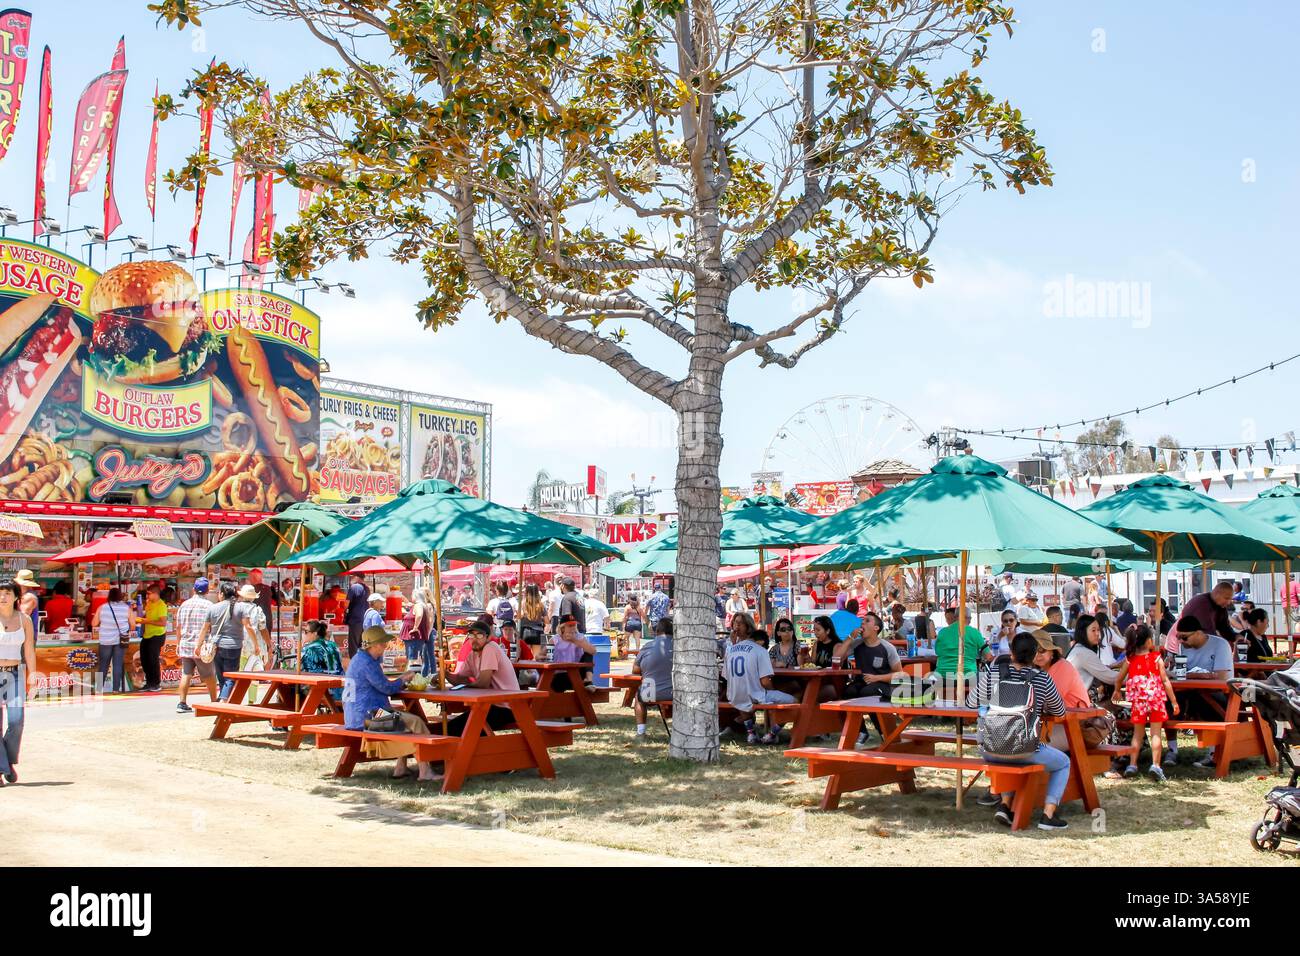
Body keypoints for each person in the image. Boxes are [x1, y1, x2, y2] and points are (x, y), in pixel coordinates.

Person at [967, 632, 1070, 831]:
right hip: (1025, 748)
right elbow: (1060, 710)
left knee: (1004, 749)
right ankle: (1048, 815)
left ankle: (1006, 805)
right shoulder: (1042, 678)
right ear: (1034, 656)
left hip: (989, 748)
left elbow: (972, 702)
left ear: (1011, 653)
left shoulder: (994, 672)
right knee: (1063, 763)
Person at [343, 626, 435, 781]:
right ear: (373, 645)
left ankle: (400, 768)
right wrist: (404, 679)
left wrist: (399, 681)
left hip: (355, 715)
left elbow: (381, 685)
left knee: (403, 720)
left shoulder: (358, 659)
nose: (385, 648)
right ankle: (425, 771)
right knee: (416, 722)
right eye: (383, 644)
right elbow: (387, 688)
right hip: (369, 715)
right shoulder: (368, 664)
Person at [1112, 623, 1179, 781]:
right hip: (1155, 700)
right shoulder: (1156, 658)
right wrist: (1174, 701)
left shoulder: (1130, 660)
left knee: (1137, 734)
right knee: (1156, 734)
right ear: (1149, 641)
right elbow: (1165, 681)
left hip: (1139, 702)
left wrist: (1116, 690)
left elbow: (1119, 678)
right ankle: (1156, 765)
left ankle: (1133, 764)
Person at [724, 615, 797, 744]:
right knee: (795, 701)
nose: (736, 626)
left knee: (744, 695)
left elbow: (726, 676)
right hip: (755, 695)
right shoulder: (760, 651)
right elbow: (765, 681)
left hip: (735, 695)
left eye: (740, 624)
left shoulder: (730, 650)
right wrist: (772, 691)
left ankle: (751, 734)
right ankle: (772, 734)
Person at [443, 620, 522, 739]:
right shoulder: (473, 654)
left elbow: (483, 683)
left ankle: (458, 757)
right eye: (471, 635)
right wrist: (444, 674)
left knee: (456, 729)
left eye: (479, 635)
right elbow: (459, 678)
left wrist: (465, 685)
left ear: (488, 637)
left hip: (507, 708)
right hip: (491, 706)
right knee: (453, 728)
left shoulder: (490, 648)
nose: (474, 639)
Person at [0, 580, 37, 784]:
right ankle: (1, 768)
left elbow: (29, 650)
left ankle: (7, 761)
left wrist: (33, 675)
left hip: (14, 673)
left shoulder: (24, 619)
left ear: (16, 597)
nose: (3, 597)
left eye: (7, 593)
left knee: (16, 721)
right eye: (0, 593)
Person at [1031, 629, 1089, 752]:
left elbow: (1048, 703)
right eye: (1033, 650)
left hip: (1072, 726)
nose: (1037, 654)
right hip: (1050, 724)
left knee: (1029, 748)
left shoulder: (1062, 666)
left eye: (1042, 650)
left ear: (1052, 652)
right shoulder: (1035, 671)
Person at [194, 583, 252, 701]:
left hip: (217, 646)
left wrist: (198, 645)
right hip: (234, 646)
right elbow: (249, 627)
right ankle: (224, 699)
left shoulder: (213, 608)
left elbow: (204, 629)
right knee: (230, 676)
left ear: (221, 594)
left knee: (221, 676)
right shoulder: (241, 608)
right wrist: (256, 644)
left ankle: (223, 699)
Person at [175, 578, 217, 713]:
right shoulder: (209, 606)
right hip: (202, 646)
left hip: (186, 644)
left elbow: (178, 627)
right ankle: (214, 701)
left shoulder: (184, 605)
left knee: (186, 673)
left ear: (193, 589)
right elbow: (212, 627)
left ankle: (182, 702)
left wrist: (178, 643)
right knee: (209, 675)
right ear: (207, 591)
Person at [844, 611, 903, 702]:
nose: (862, 623)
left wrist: (876, 678)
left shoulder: (887, 647)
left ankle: (878, 716)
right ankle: (855, 716)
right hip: (860, 683)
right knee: (849, 691)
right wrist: (850, 637)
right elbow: (838, 657)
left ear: (876, 628)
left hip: (882, 684)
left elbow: (899, 675)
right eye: (862, 621)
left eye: (867, 621)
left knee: (867, 692)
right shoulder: (856, 644)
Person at [632, 618, 674, 740]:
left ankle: (641, 732)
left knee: (639, 698)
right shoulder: (681, 646)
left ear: (657, 631)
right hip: (676, 693)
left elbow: (635, 670)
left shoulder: (647, 646)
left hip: (650, 693)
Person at [1066, 613, 1118, 702]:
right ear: (1083, 632)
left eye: (1098, 630)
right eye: (1093, 630)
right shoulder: (1084, 653)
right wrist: (1135, 677)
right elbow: (1111, 678)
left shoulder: (1079, 648)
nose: (1098, 634)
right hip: (1075, 705)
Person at [94, 587, 136, 694]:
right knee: (117, 664)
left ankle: (98, 689)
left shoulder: (102, 607)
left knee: (103, 665)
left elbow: (94, 623)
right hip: (120, 640)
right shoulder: (126, 608)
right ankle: (116, 689)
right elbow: (133, 626)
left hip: (105, 640)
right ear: (120, 596)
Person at [935, 604, 987, 689]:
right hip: (967, 677)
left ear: (955, 618)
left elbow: (938, 652)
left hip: (943, 677)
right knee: (986, 678)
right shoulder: (975, 633)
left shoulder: (942, 632)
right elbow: (988, 656)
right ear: (969, 619)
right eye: (969, 618)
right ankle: (974, 701)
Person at [551, 613, 596, 693]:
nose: (573, 628)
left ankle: (588, 680)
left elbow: (593, 651)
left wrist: (574, 640)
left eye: (574, 625)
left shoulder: (579, 637)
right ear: (562, 628)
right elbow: (544, 653)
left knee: (588, 653)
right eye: (570, 626)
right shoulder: (555, 639)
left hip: (576, 673)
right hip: (559, 674)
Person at [300, 619, 344, 702]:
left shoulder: (308, 648)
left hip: (319, 690)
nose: (304, 634)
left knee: (290, 689)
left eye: (306, 631)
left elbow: (298, 669)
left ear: (315, 633)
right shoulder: (333, 645)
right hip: (339, 689)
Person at [139, 583, 168, 692]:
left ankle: (156, 683)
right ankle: (149, 682)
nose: (147, 596)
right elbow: (146, 616)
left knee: (153, 659)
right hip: (147, 634)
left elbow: (163, 622)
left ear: (156, 594)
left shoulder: (161, 605)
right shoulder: (149, 604)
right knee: (144, 659)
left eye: (149, 594)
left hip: (157, 635)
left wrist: (147, 621)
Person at [345, 573, 370, 657]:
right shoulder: (367, 589)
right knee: (362, 644)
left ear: (356, 577)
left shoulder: (354, 587)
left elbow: (346, 605)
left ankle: (354, 664)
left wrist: (343, 611)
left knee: (353, 645)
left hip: (355, 619)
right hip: (365, 619)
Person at [518, 583, 547, 650]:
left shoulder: (522, 604)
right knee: (536, 658)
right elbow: (547, 621)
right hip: (538, 632)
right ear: (537, 592)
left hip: (525, 632)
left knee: (526, 657)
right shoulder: (541, 605)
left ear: (526, 592)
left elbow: (519, 617)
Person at [13, 569, 40, 637]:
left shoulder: (28, 597)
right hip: (23, 635)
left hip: (26, 637)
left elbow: (21, 618)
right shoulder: (25, 595)